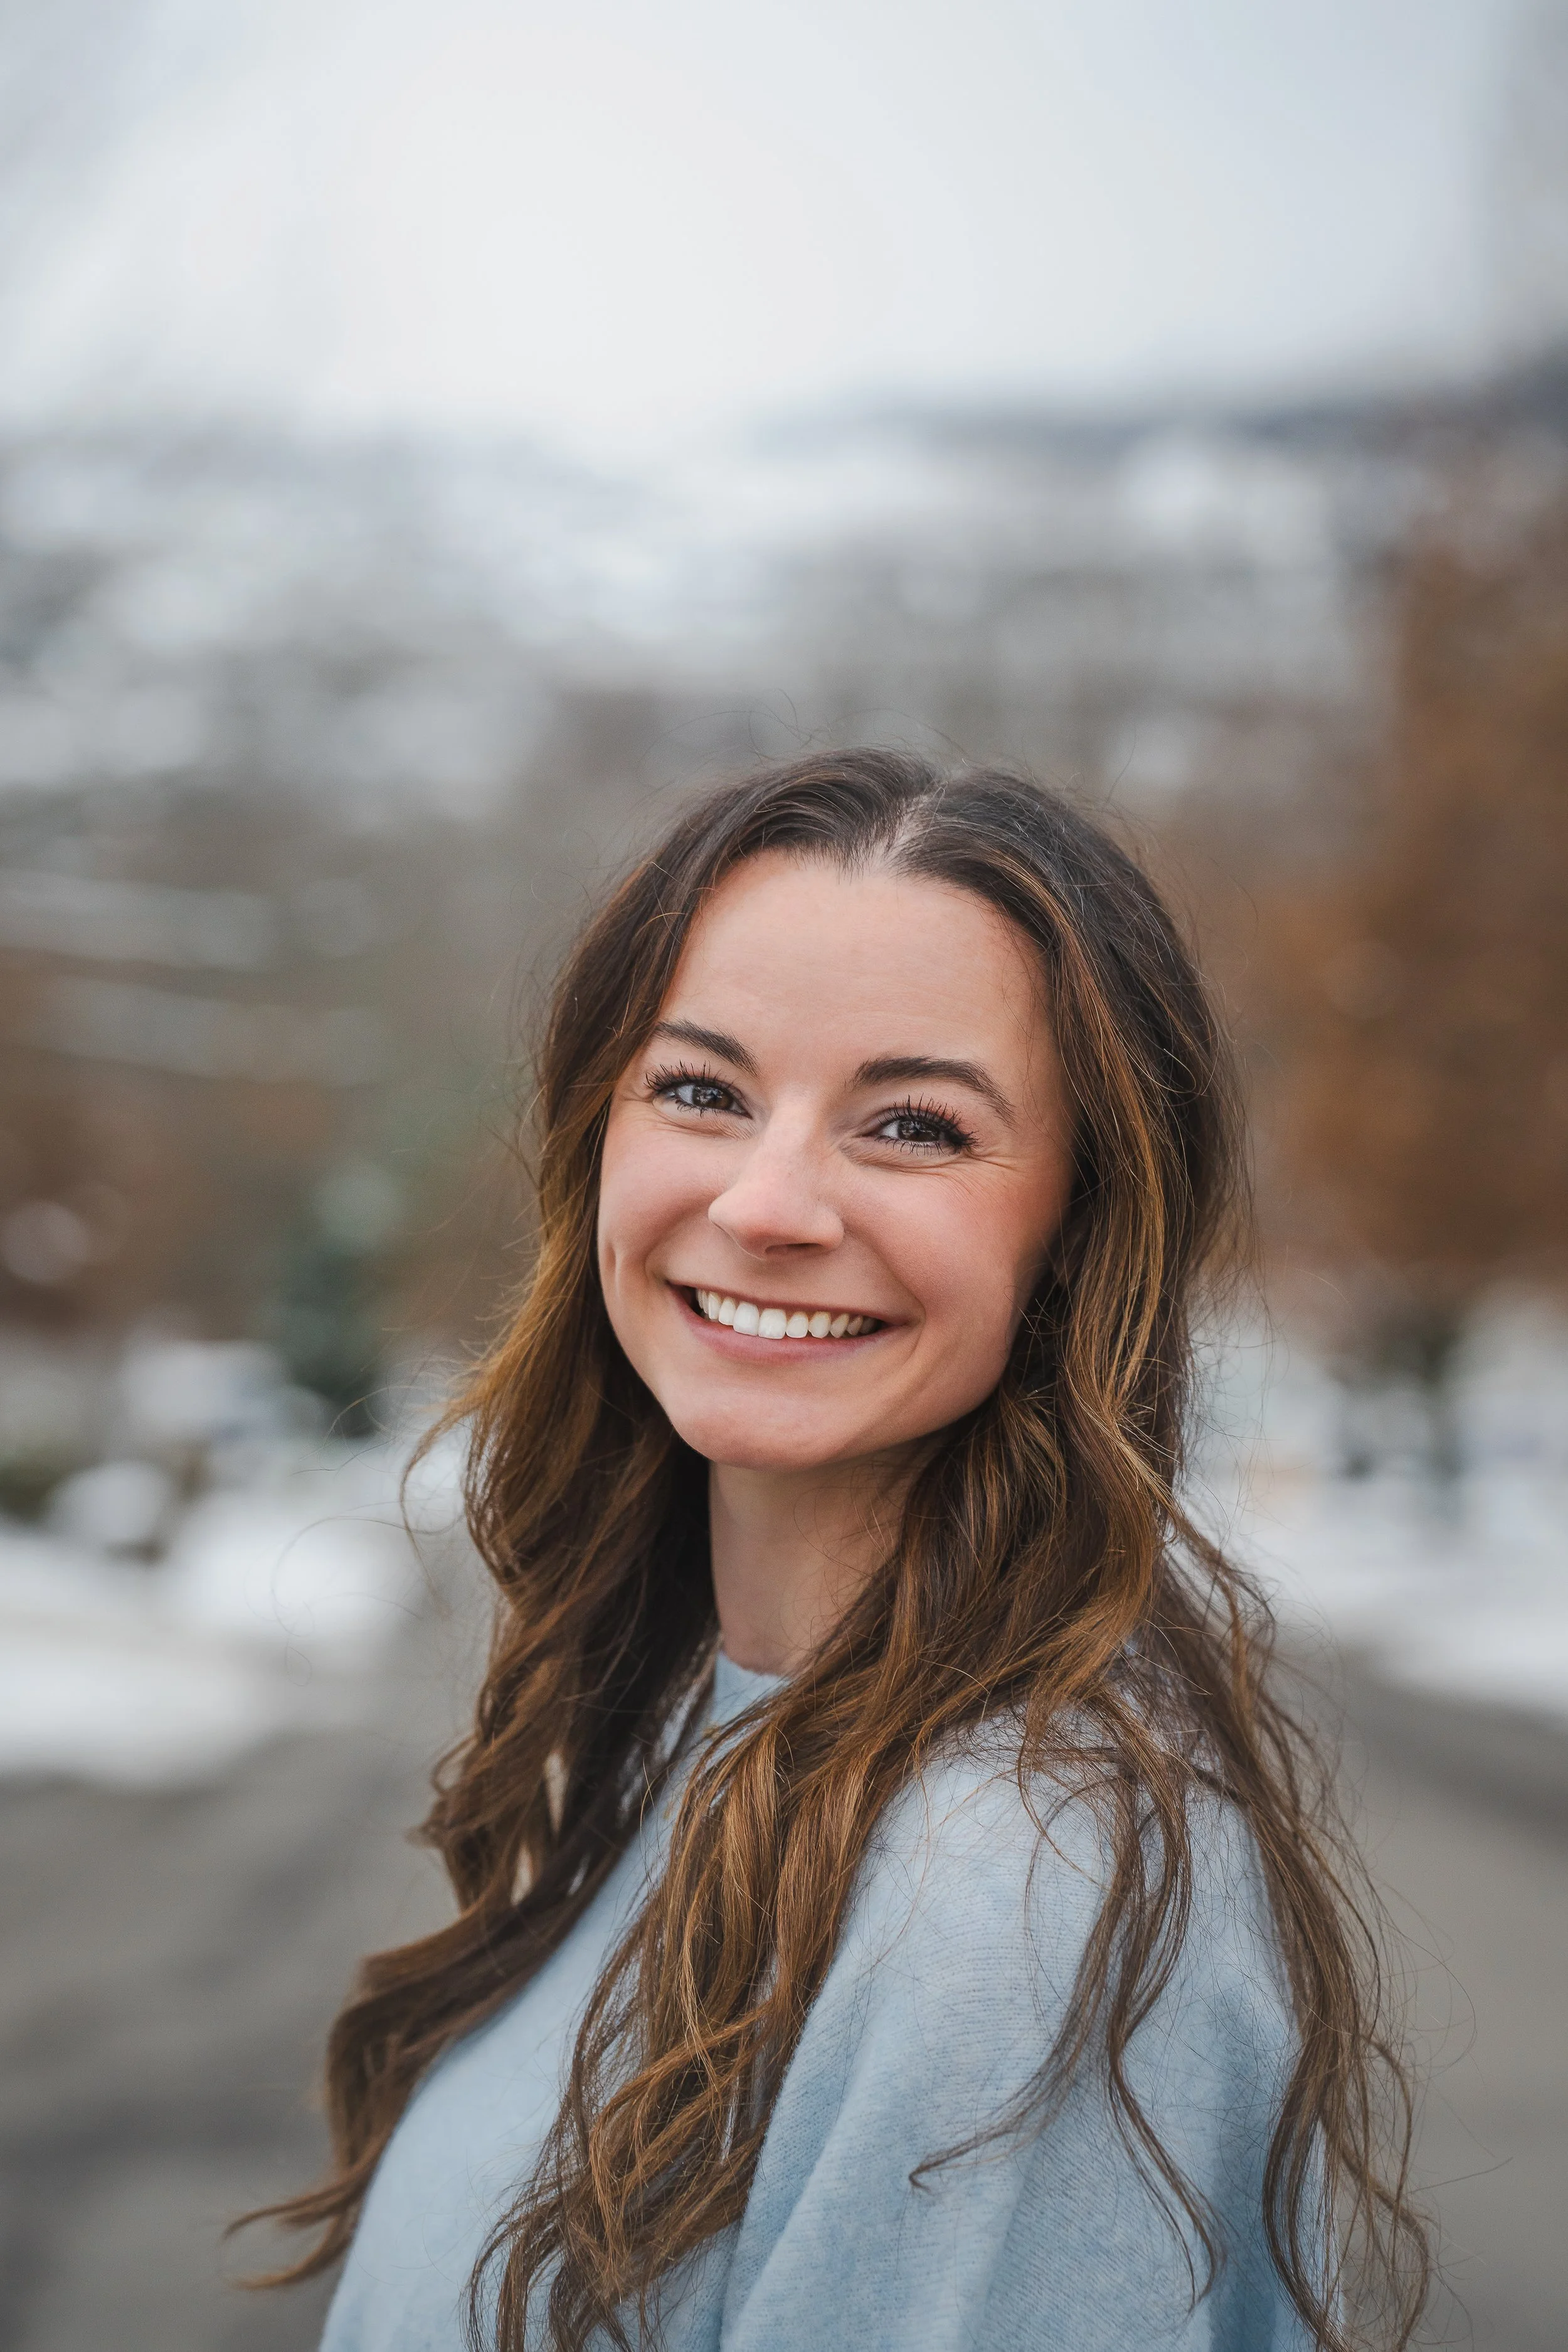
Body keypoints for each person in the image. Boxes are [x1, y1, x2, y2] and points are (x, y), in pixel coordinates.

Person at [253, 752, 1428, 2350]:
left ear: (1078, 1233)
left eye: (911, 1125)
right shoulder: (692, 1715)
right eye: (699, 1090)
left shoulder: (1013, 1892)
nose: (767, 1200)